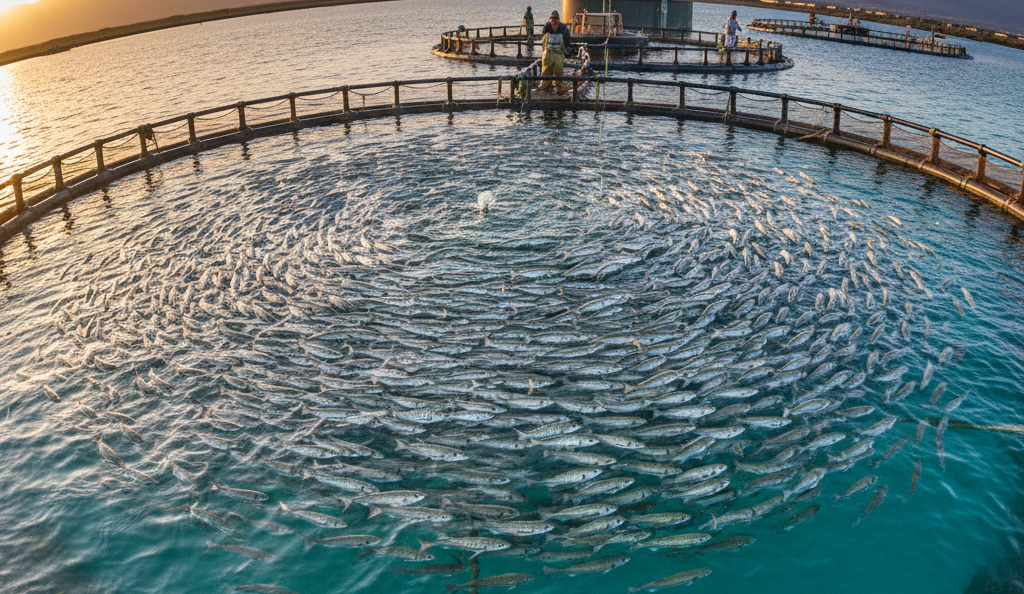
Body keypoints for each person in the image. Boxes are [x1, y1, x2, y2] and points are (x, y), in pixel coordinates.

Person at [541, 10, 571, 95]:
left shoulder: (563, 27)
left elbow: (567, 39)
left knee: (559, 69)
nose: (554, 21)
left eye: (555, 19)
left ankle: (559, 86)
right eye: (552, 19)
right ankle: (546, 85)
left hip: (558, 52)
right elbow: (543, 38)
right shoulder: (547, 27)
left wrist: (566, 49)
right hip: (548, 52)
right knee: (546, 70)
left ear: (559, 19)